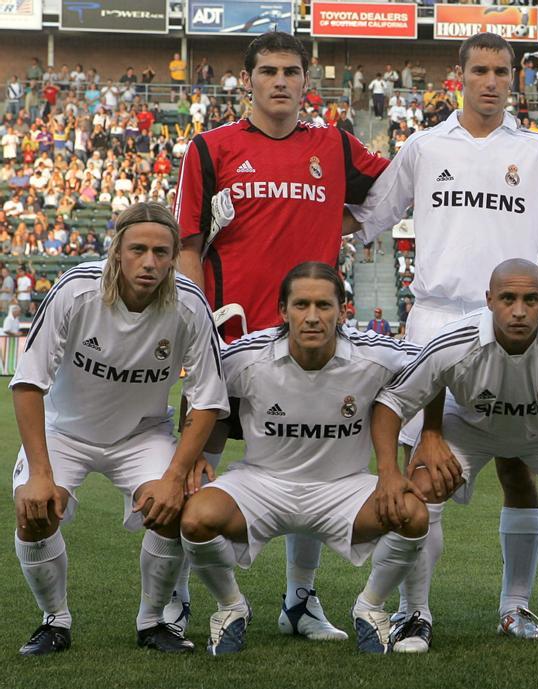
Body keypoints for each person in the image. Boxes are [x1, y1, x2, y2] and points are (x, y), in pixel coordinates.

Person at [353, 33, 538, 649]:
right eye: (481, 70)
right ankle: (414, 611)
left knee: (522, 468)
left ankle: (516, 607)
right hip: (438, 326)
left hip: (520, 325)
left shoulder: (537, 153)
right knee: (428, 472)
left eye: (503, 71)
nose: (492, 81)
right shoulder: (423, 147)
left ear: (515, 79)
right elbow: (370, 217)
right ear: (460, 76)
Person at [174, 31, 390, 643]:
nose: (279, 81)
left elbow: (395, 187)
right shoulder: (210, 149)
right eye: (267, 70)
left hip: (310, 344)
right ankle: (174, 606)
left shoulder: (334, 146)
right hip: (230, 344)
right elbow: (189, 250)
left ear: (306, 81)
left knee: (311, 469)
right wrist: (197, 338)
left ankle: (299, 603)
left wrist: (344, 218)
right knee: (193, 470)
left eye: (290, 71)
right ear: (247, 79)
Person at [371, 259, 538, 653]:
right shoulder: (454, 339)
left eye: (531, 300)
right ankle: (413, 615)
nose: (519, 310)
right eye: (508, 299)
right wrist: (424, 436)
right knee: (423, 486)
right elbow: (394, 399)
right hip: (469, 425)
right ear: (488, 300)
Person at [10, 203, 228, 655]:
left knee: (175, 508)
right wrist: (40, 473)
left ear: (173, 257)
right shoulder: (76, 290)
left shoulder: (188, 303)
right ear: (117, 251)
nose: (149, 263)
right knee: (34, 513)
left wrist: (174, 479)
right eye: (138, 250)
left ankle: (153, 623)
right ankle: (55, 621)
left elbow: (208, 400)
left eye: (161, 252)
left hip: (142, 434)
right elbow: (28, 382)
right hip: (64, 429)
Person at [180, 262, 428, 655]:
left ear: (343, 311)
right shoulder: (247, 357)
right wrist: (196, 456)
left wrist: (431, 434)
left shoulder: (374, 354)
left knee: (413, 513)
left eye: (324, 306)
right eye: (301, 305)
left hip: (343, 488)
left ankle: (371, 608)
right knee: (194, 517)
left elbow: (434, 366)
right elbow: (198, 387)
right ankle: (230, 608)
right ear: (283, 311)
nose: (312, 317)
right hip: (262, 484)